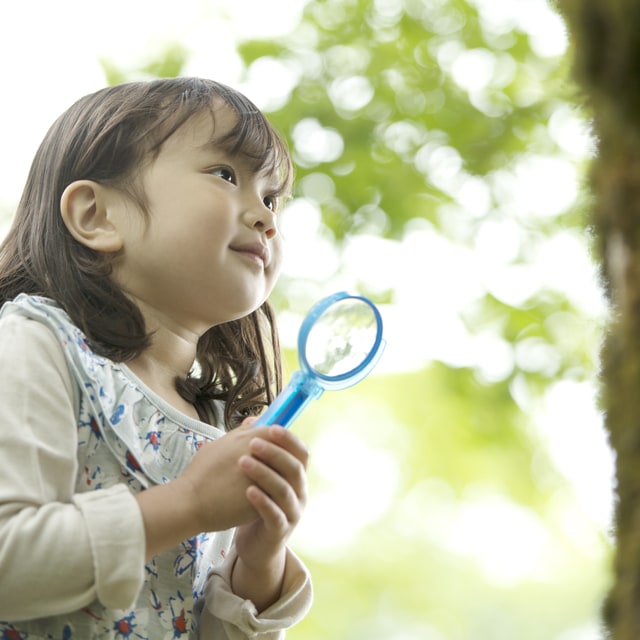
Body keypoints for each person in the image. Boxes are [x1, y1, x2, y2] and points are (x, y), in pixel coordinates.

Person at [0, 77, 312, 639]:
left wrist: (258, 563)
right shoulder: (35, 345)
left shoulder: (212, 423)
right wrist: (189, 503)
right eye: (226, 175)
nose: (266, 217)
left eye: (272, 199)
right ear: (98, 215)